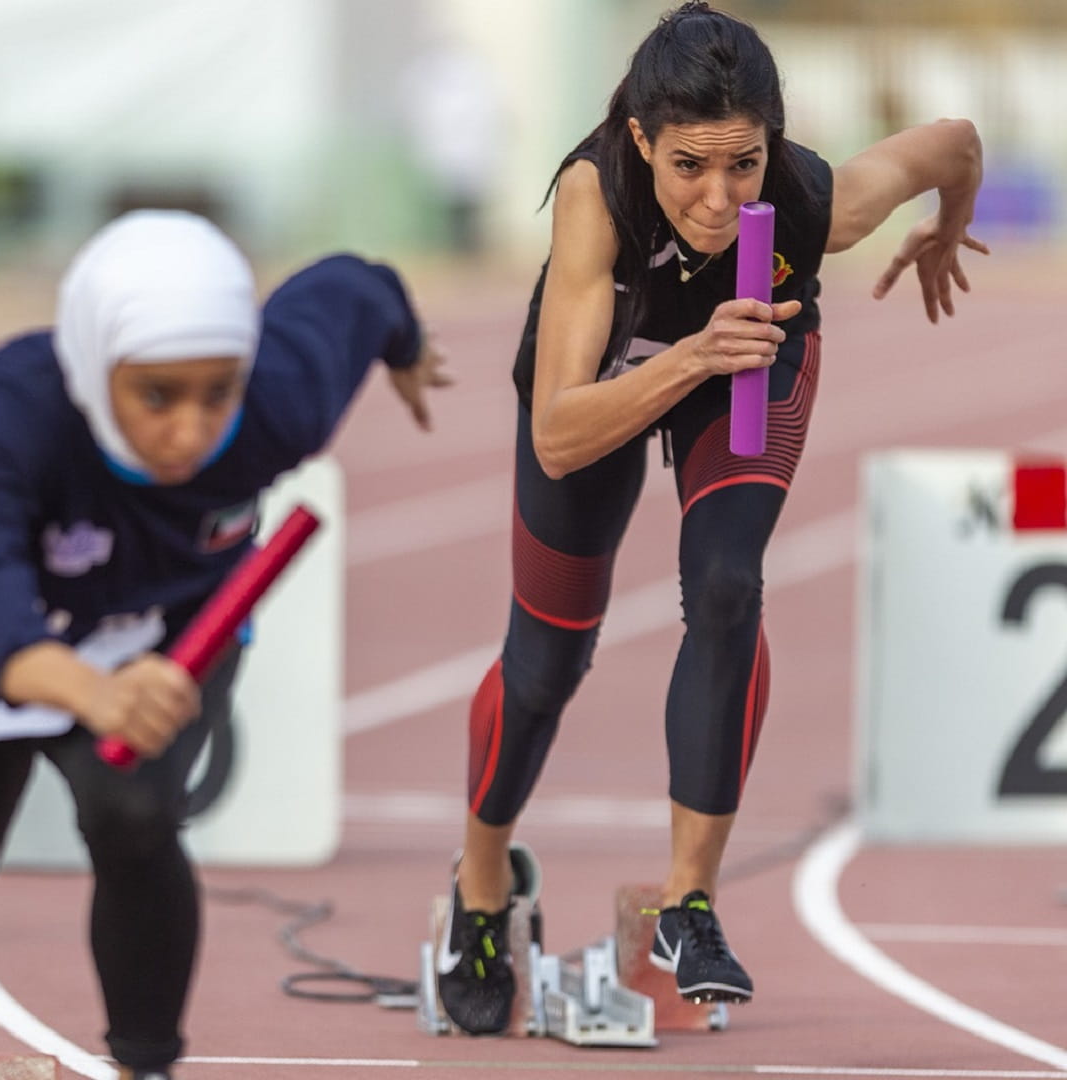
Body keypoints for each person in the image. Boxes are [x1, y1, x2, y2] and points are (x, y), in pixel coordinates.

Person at [0, 210, 450, 1080]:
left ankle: (147, 1066)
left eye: (218, 393)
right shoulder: (14, 409)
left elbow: (360, 290)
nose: (191, 432)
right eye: (157, 396)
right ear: (94, 368)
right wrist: (92, 692)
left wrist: (407, 350)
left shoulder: (278, 402)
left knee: (133, 812)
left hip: (163, 626)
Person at [432, 1, 988, 1035]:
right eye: (690, 165)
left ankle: (691, 904)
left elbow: (955, 144)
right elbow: (557, 435)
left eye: (745, 163)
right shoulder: (596, 194)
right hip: (606, 385)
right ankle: (479, 883)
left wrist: (945, 229)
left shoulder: (811, 199)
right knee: (546, 662)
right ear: (642, 140)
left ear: (773, 142)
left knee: (729, 586)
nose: (721, 197)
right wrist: (693, 354)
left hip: (747, 363)